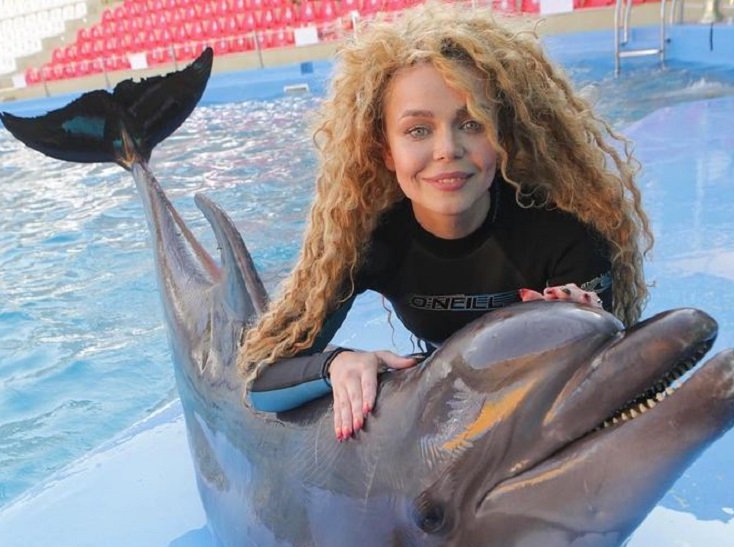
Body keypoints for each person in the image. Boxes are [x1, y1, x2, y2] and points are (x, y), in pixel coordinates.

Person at [238, 3, 652, 439]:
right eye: (418, 130)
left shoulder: (563, 235)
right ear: (385, 150)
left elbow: (611, 390)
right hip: (439, 403)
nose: (447, 149)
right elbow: (260, 382)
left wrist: (587, 331)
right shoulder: (369, 240)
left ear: (502, 136)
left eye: (472, 123)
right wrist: (335, 363)